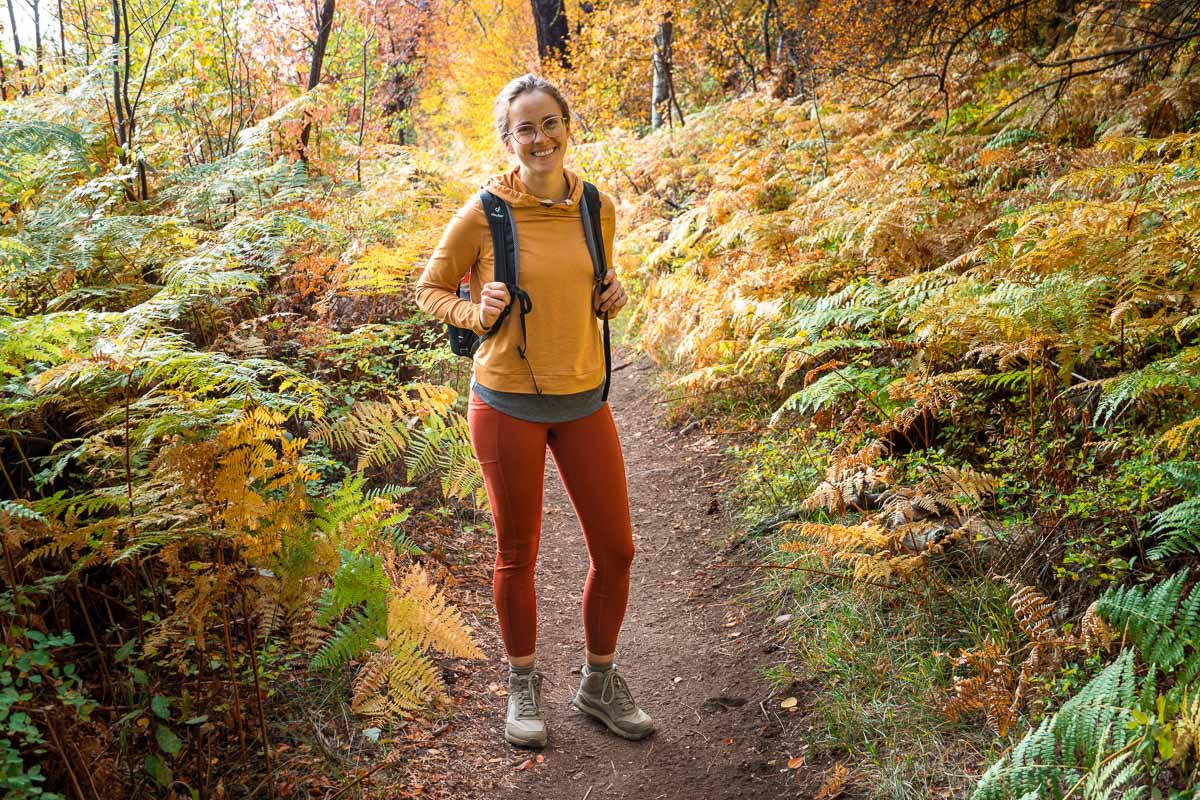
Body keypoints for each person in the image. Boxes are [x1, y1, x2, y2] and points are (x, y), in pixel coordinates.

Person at [414, 73, 654, 749]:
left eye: (550, 123)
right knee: (518, 553)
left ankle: (598, 684)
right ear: (508, 139)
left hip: (582, 398)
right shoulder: (485, 211)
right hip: (506, 404)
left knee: (617, 549)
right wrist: (472, 309)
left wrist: (612, 292)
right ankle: (523, 687)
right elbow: (430, 288)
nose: (540, 138)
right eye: (526, 128)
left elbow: (594, 283)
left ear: (566, 126)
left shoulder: (598, 207)